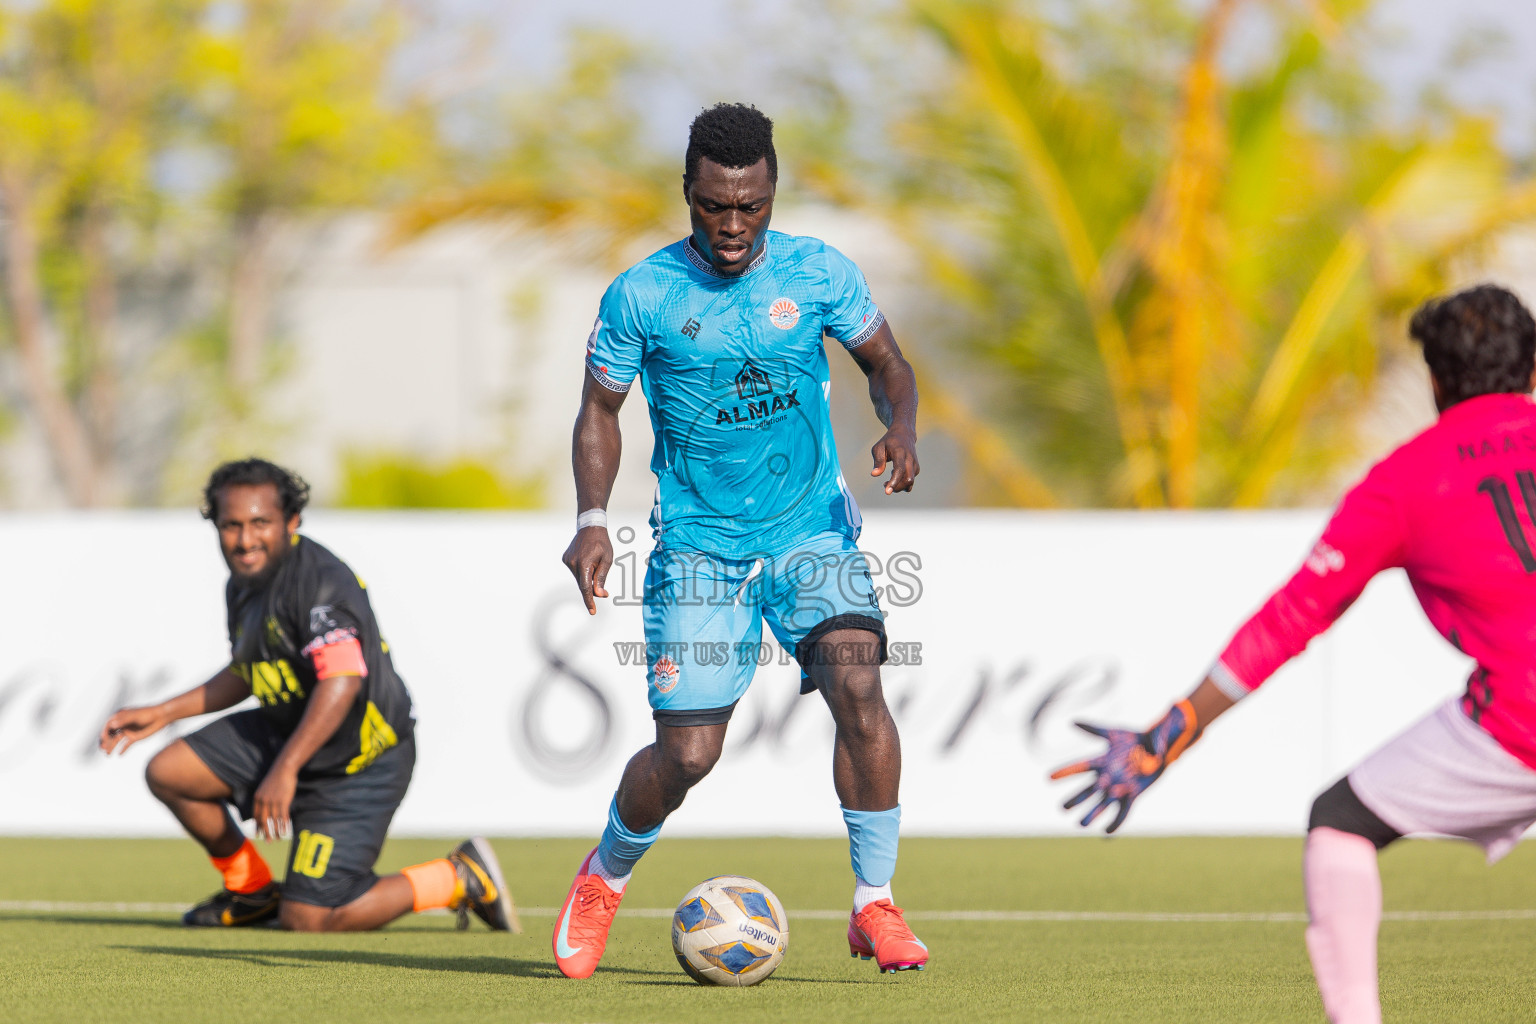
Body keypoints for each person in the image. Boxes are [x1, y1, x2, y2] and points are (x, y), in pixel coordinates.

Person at [1050, 284, 1536, 1023]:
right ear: (1530, 371)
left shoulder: (1404, 481)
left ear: (1436, 380)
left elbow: (1291, 618)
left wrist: (1176, 726)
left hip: (1519, 722)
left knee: (1341, 820)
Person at [555, 102, 925, 979]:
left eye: (749, 207)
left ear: (770, 192)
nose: (732, 226)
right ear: (688, 191)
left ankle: (874, 903)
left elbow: (889, 366)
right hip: (698, 548)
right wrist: (591, 521)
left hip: (808, 529)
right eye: (714, 206)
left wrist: (901, 429)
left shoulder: (820, 271)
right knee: (689, 754)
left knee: (859, 682)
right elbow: (599, 411)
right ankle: (604, 874)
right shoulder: (642, 293)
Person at [99, 458, 516, 933]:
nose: (245, 539)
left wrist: (285, 769)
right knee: (169, 772)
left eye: (260, 523)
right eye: (231, 525)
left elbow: (341, 682)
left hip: (359, 763)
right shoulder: (244, 583)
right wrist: (162, 712)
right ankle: (251, 891)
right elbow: (251, 670)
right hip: (291, 731)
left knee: (309, 918)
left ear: (291, 522)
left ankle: (458, 877)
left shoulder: (319, 581)